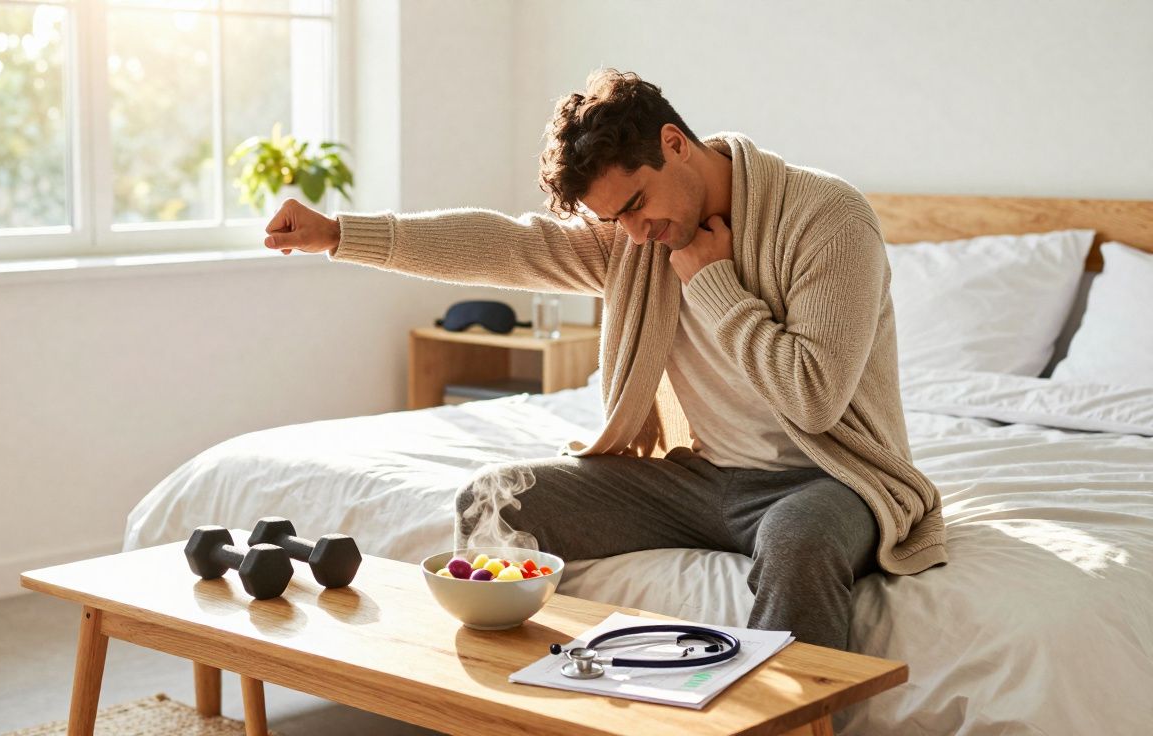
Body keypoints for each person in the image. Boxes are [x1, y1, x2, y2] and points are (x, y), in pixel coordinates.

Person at [262, 69, 946, 651]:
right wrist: (340, 234)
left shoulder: (828, 218)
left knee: (798, 541)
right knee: (497, 500)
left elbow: (814, 397)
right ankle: (525, 703)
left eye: (637, 205)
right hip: (696, 478)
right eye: (614, 219)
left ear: (674, 144)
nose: (636, 232)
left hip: (825, 477)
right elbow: (505, 246)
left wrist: (712, 281)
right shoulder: (633, 236)